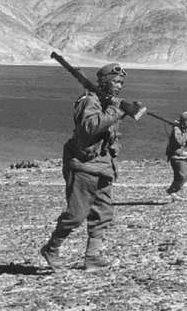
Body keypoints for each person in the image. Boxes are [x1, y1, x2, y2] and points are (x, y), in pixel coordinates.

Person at [40, 63, 140, 271]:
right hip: (84, 167)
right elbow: (90, 129)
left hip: (103, 166)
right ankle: (51, 248)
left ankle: (93, 257)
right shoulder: (89, 101)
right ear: (103, 81)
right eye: (115, 81)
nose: (119, 86)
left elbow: (109, 134)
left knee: (103, 213)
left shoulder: (106, 103)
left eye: (121, 82)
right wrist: (116, 109)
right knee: (76, 215)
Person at [164, 111, 187, 201]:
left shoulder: (186, 130)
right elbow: (179, 141)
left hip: (183, 156)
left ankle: (173, 193)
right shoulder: (176, 130)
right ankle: (171, 191)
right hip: (176, 156)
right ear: (182, 121)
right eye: (186, 121)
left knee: (180, 176)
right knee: (183, 175)